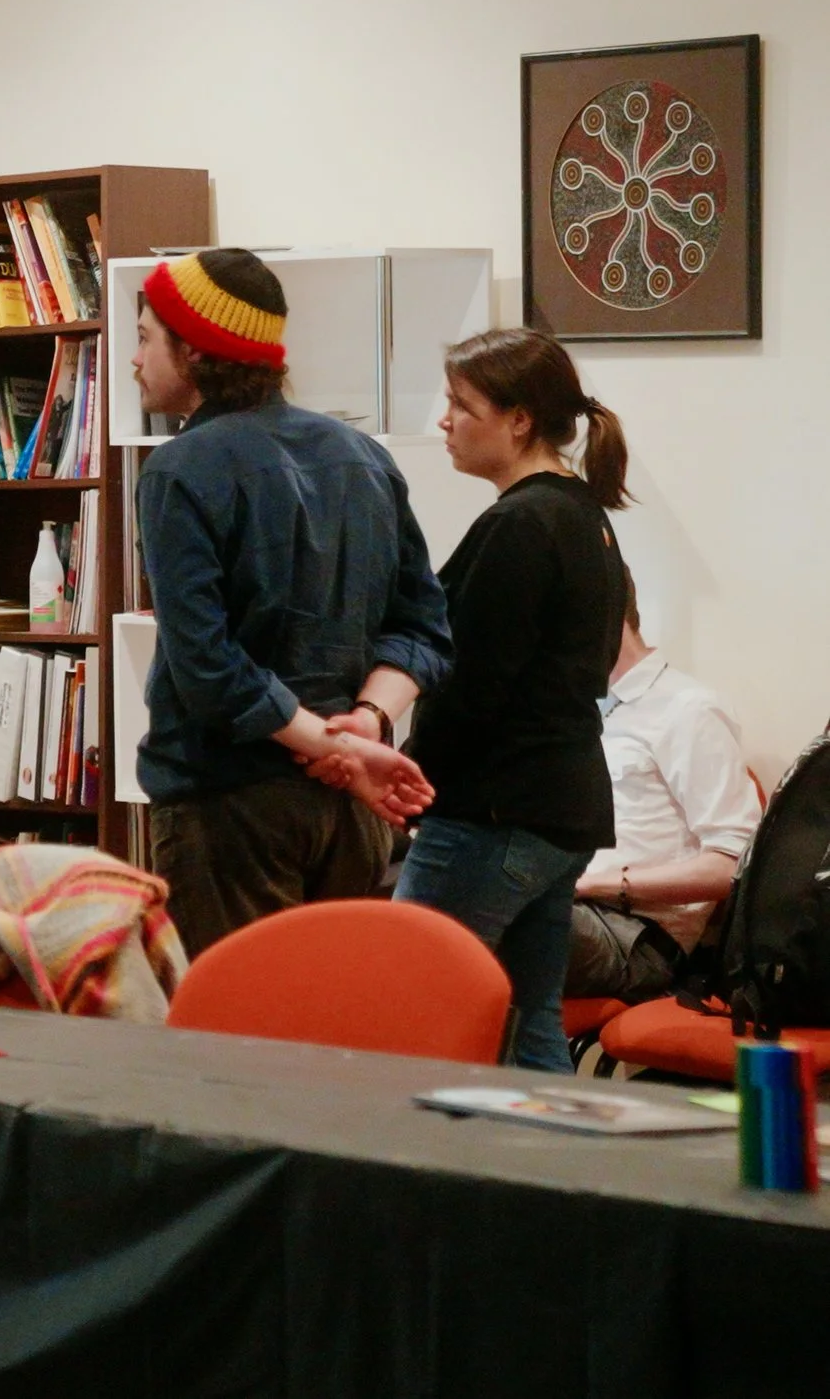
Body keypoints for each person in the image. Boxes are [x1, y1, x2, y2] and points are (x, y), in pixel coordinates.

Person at [129, 250, 449, 958]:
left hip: (230, 808)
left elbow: (207, 666)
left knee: (235, 1020)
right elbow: (425, 627)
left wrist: (336, 744)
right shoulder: (363, 455)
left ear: (196, 349)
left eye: (146, 337)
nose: (134, 358)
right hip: (351, 813)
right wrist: (365, 724)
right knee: (332, 1013)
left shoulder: (180, 469)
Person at [391, 327, 629, 1072]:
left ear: (519, 419)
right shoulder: (582, 515)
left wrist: (407, 779)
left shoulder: (522, 523)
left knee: (404, 1000)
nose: (444, 421)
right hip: (557, 806)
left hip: (495, 811)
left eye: (462, 405)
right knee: (531, 1026)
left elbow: (472, 687)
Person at [565, 567, 759, 1003]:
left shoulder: (689, 709)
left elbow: (735, 865)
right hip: (568, 910)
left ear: (605, 614)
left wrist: (592, 882)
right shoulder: (580, 710)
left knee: (472, 909)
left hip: (634, 936)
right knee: (441, 881)